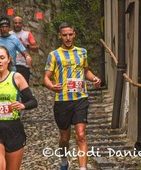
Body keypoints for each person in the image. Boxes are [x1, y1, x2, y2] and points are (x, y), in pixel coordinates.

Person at [43, 22, 101, 170]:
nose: (68, 38)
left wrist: (94, 78)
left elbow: (86, 71)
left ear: (74, 34)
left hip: (80, 98)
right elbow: (46, 77)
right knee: (64, 138)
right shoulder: (54, 55)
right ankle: (63, 159)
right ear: (60, 36)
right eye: (65, 35)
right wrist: (51, 86)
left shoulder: (82, 52)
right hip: (62, 101)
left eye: (70, 34)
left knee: (81, 135)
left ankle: (83, 168)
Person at [10, 16, 39, 84]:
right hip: (11, 64)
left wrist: (27, 45)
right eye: (16, 23)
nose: (17, 25)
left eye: (19, 23)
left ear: (22, 24)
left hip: (24, 64)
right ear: (13, 24)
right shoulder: (9, 34)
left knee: (24, 86)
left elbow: (36, 48)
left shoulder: (27, 34)